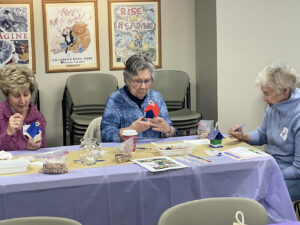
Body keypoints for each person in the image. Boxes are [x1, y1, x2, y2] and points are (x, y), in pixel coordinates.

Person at [228, 62, 300, 201]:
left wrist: (266, 173)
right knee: (236, 181)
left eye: (267, 94)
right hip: (272, 166)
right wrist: (243, 136)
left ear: (285, 90)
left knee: (252, 195)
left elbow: (298, 170)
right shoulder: (274, 106)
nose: (264, 98)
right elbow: (262, 135)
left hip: (293, 178)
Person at [101, 54, 176, 142]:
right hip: (128, 152)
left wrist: (167, 130)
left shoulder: (156, 98)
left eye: (147, 81)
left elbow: (172, 132)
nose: (143, 87)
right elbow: (106, 134)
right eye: (138, 81)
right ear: (127, 80)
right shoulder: (115, 100)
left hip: (154, 151)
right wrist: (130, 130)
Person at [0, 64, 46, 150]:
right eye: (16, 95)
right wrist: (8, 133)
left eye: (26, 94)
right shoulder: (1, 114)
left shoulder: (37, 118)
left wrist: (35, 146)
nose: (23, 101)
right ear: (7, 95)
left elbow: (42, 150)